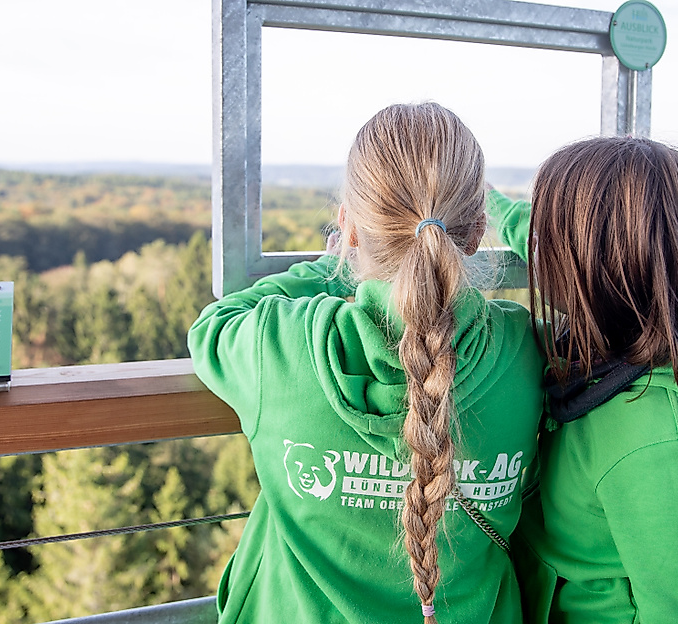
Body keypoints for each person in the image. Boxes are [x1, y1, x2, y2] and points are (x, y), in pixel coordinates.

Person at [189, 102, 544, 624]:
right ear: (474, 234)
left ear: (350, 228)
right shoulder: (526, 351)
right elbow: (601, 279)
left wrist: (336, 267)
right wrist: (519, 224)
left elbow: (216, 323)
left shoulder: (282, 348)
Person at [487, 136, 678, 623]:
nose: (536, 254)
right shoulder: (638, 337)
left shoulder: (672, 446)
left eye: (549, 237)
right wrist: (493, 205)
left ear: (594, 257)